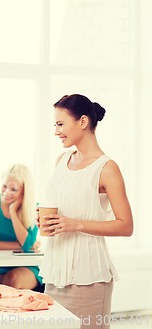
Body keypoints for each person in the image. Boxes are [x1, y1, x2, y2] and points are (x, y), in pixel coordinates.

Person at [39, 94, 133, 329]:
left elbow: (125, 225)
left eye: (60, 124)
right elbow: (62, 208)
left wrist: (75, 224)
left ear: (82, 122)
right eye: (55, 125)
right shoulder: (61, 160)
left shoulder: (107, 168)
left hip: (88, 278)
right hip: (55, 273)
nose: (56, 131)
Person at [0, 164, 42, 290]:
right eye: (4, 186)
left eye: (13, 189)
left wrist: (13, 212)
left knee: (12, 280)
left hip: (26, 266)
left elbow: (27, 245)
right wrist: (19, 246)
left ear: (24, 191)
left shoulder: (33, 208)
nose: (6, 192)